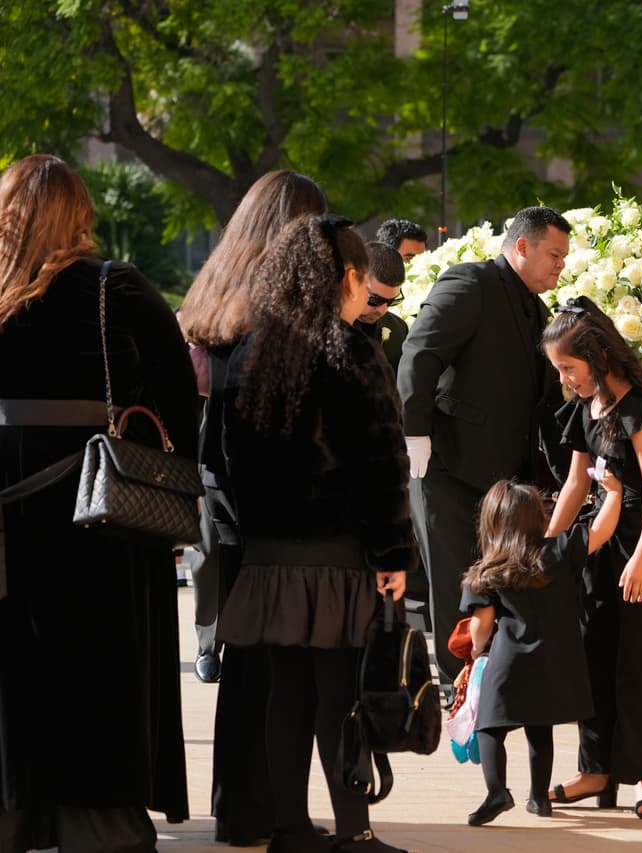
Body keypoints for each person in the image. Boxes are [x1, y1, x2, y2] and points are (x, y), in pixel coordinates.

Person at [0, 153, 195, 852]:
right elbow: (179, 402)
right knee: (99, 663)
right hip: (102, 509)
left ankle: (14, 811)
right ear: (79, 214)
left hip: (6, 513)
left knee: (12, 663)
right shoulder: (116, 287)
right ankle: (97, 818)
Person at [217, 215, 416, 853]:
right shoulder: (351, 351)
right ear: (348, 276)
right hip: (338, 554)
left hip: (270, 553)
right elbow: (381, 462)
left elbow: (228, 456)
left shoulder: (252, 351)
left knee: (287, 693)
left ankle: (290, 830)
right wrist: (393, 551)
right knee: (339, 695)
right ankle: (355, 832)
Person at [180, 169, 328, 846]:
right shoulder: (284, 293)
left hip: (220, 488)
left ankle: (239, 806)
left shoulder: (220, 280)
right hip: (271, 493)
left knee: (246, 657)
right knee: (280, 662)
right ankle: (264, 806)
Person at [398, 206, 570, 684]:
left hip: (504, 479)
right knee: (455, 581)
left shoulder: (537, 308)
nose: (561, 265)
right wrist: (415, 434)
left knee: (498, 581)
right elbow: (419, 356)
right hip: (446, 465)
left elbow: (544, 402)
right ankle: (459, 685)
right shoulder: (468, 282)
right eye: (554, 254)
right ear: (522, 246)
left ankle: (490, 683)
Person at [543, 296, 642, 820]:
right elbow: (575, 485)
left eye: (568, 368)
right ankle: (595, 769)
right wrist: (548, 550)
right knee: (594, 654)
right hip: (600, 539)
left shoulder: (635, 409)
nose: (564, 380)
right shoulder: (587, 406)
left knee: (639, 661)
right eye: (558, 370)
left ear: (598, 357)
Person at [460, 475, 623, 826]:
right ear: (538, 517)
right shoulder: (558, 551)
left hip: (509, 659)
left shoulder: (488, 570)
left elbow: (481, 624)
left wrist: (476, 650)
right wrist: (614, 492)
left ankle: (497, 791)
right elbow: (601, 531)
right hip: (556, 659)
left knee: (489, 727)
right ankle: (539, 798)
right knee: (539, 728)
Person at [358, 240, 410, 373]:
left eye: (392, 301)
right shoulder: (323, 325)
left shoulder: (398, 329)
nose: (382, 310)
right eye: (375, 299)